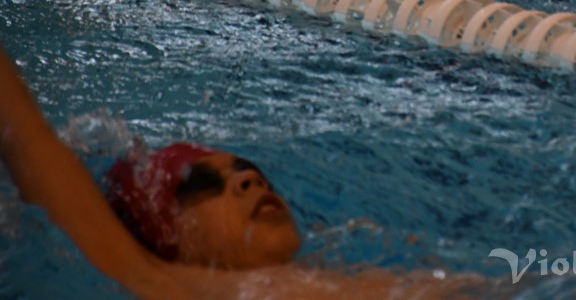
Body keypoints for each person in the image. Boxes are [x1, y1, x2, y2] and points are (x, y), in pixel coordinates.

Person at [0, 43, 489, 299]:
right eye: (206, 184)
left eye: (249, 171)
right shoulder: (169, 286)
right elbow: (27, 139)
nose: (250, 180)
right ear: (169, 234)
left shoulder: (348, 275)